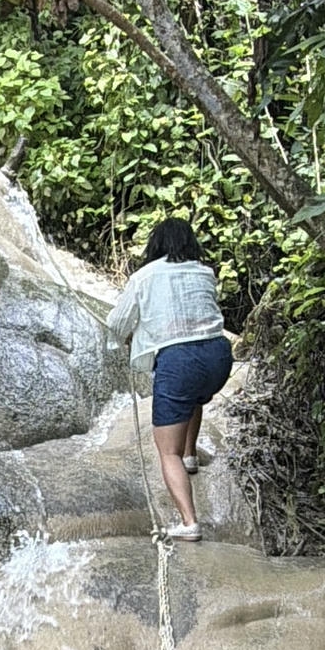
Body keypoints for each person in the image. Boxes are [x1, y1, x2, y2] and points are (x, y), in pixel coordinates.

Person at [107, 217, 233, 542]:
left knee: (166, 451)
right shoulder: (204, 272)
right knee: (194, 398)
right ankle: (191, 455)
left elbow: (118, 321)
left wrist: (122, 338)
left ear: (156, 244)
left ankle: (189, 522)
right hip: (219, 356)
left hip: (180, 361)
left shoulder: (144, 276)